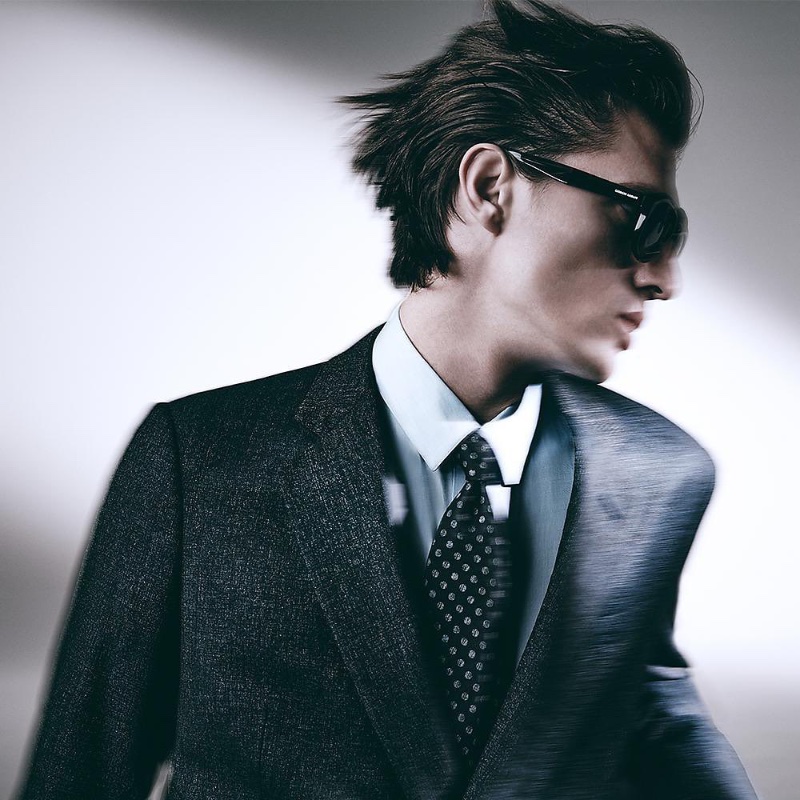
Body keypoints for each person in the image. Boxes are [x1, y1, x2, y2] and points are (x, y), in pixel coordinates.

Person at [18, 1, 758, 798]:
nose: (665, 278)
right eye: (644, 220)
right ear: (490, 189)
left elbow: (648, 710)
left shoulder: (659, 476)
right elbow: (82, 770)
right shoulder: (200, 463)